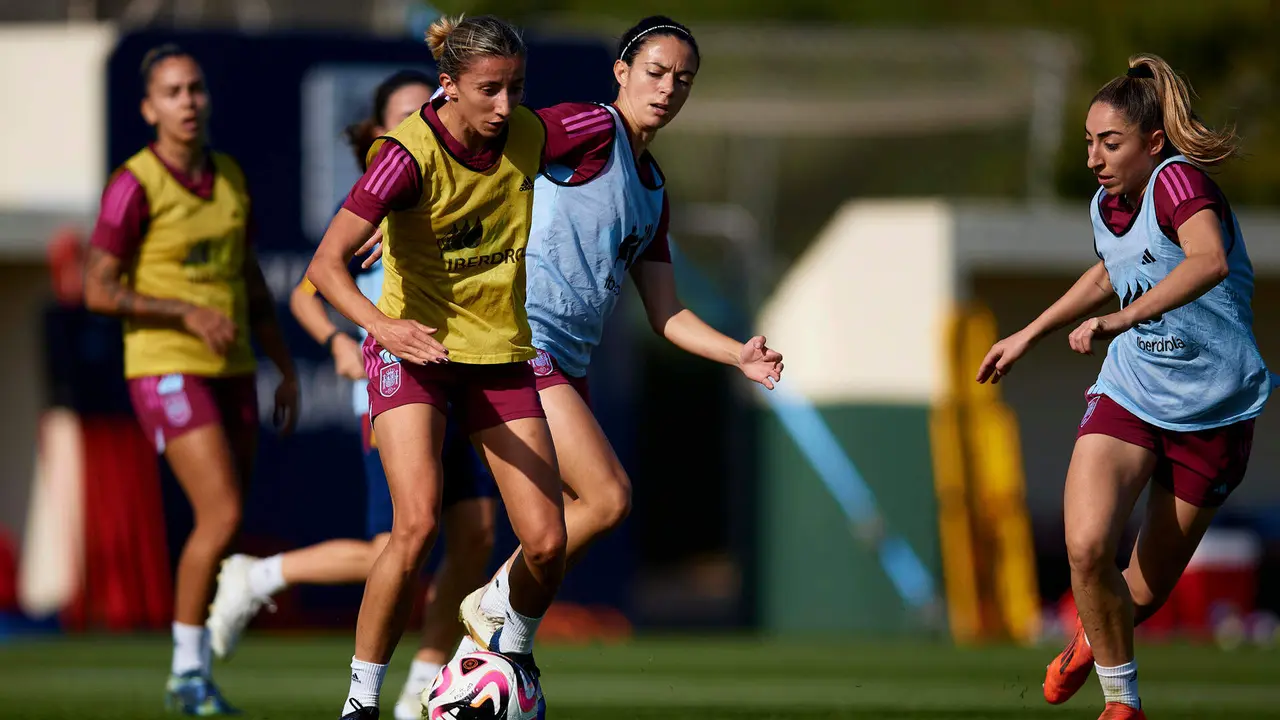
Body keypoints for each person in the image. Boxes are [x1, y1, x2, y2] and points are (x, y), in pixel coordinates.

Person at [406, 14, 785, 666]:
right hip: (520, 345)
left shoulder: (654, 189)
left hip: (564, 363)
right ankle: (489, 609)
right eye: (656, 72)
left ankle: (492, 663)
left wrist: (736, 353)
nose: (668, 88)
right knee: (606, 501)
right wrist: (449, 105)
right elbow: (499, 130)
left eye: (683, 79)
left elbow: (665, 312)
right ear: (622, 73)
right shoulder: (591, 127)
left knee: (551, 543)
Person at [977, 54, 1272, 720]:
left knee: (1141, 588)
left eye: (1110, 143)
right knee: (1085, 547)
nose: (1094, 158)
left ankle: (1091, 641)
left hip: (1216, 411)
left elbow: (1208, 260)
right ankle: (1123, 705)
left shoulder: (1178, 183)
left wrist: (1122, 319)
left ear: (1153, 143)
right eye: (1088, 143)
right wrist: (1030, 333)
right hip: (1133, 392)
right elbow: (1108, 272)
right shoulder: (1105, 202)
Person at [307, 15, 585, 719]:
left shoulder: (532, 133)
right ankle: (360, 701)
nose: (504, 106)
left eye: (516, 88)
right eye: (489, 90)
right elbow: (324, 266)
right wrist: (383, 327)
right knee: (416, 526)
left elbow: (617, 125)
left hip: (498, 357)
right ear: (449, 86)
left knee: (547, 542)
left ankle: (498, 656)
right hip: (416, 355)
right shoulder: (405, 155)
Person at [204, 69, 497, 720]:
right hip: (400, 388)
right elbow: (309, 291)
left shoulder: (460, 181)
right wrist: (342, 343)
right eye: (405, 113)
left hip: (462, 376)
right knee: (397, 543)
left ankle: (424, 684)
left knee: (475, 535)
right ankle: (260, 576)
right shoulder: (385, 194)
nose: (423, 119)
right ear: (377, 130)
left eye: (430, 107)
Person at [83, 44, 299, 715]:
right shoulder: (135, 183)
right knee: (223, 513)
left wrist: (284, 364)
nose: (188, 102)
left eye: (196, 89)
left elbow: (251, 281)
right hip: (164, 366)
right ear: (149, 108)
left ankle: (194, 667)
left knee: (225, 526)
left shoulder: (229, 175)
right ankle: (185, 674)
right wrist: (180, 309)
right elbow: (97, 288)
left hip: (231, 366)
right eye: (173, 92)